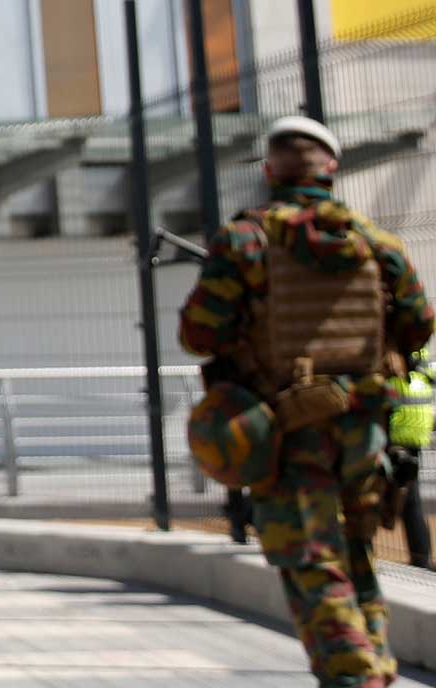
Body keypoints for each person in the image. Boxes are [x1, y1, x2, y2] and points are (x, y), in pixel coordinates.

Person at [181, 114, 433, 688]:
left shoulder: (247, 239)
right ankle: (376, 661)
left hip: (287, 427)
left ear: (271, 171)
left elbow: (200, 332)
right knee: (357, 548)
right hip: (365, 425)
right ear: (332, 170)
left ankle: (355, 676)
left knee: (310, 557)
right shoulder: (378, 243)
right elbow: (419, 325)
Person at [388, 344, 432, 568]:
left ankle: (421, 559)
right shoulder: (421, 358)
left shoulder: (388, 352)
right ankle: (421, 557)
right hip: (416, 433)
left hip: (394, 434)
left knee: (375, 499)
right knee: (410, 502)